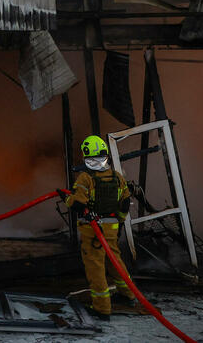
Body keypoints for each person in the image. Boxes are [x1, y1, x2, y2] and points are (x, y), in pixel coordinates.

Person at [62, 135, 134, 320]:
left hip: (93, 231)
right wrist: (117, 223)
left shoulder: (86, 178)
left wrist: (66, 198)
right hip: (111, 228)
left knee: (96, 268)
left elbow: (77, 204)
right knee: (115, 262)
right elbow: (125, 203)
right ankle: (128, 295)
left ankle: (102, 309)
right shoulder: (118, 178)